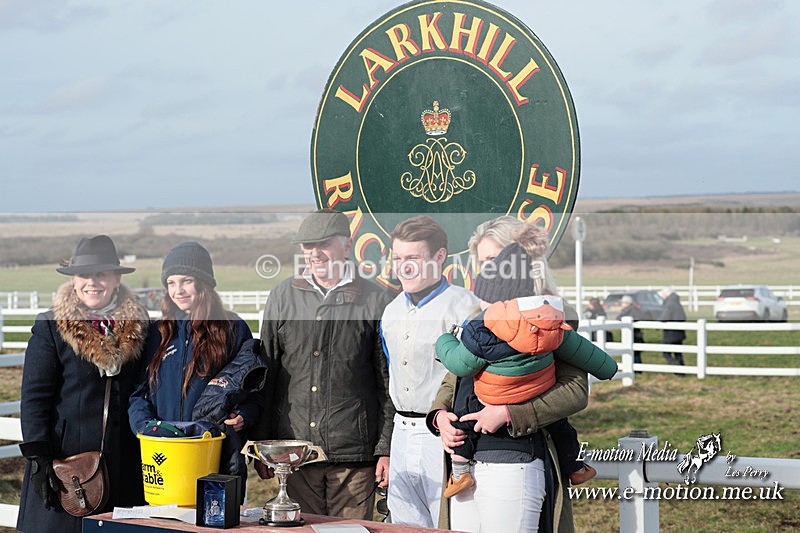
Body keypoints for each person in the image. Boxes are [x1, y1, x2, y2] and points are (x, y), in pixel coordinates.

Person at [429, 220, 589, 533]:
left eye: (493, 260)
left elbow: (575, 390)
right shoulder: (478, 315)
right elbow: (455, 378)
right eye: (482, 263)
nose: (486, 270)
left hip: (516, 455)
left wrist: (508, 414)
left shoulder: (552, 316)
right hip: (464, 461)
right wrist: (439, 417)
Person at [252, 209, 394, 520]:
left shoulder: (376, 299)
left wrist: (385, 448)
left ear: (347, 246)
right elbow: (269, 374)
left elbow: (387, 381)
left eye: (324, 244)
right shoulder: (282, 297)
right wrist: (263, 444)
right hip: (295, 454)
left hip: (355, 457)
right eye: (307, 246)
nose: (314, 254)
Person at [436, 255, 616, 497]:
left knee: (465, 417)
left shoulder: (483, 330)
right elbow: (589, 356)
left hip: (499, 413)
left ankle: (460, 471)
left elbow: (459, 367)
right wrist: (608, 368)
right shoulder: (551, 322)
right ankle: (575, 466)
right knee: (563, 427)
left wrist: (443, 342)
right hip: (538, 388)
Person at [17, 235, 150, 533]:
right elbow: (35, 398)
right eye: (84, 275)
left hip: (124, 463)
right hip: (66, 466)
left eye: (101, 274)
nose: (92, 282)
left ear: (116, 279)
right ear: (74, 281)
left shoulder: (141, 328)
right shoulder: (51, 327)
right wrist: (39, 459)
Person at [127, 241, 257, 491]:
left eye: (186, 280)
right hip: (164, 457)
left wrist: (244, 416)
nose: (178, 290)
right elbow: (138, 392)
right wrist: (145, 427)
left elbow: (252, 389)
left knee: (215, 527)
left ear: (204, 282)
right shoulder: (157, 333)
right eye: (171, 283)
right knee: (166, 527)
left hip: (217, 455)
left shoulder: (233, 329)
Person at [380, 215, 481, 528]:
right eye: (398, 258)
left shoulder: (467, 307)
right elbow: (389, 377)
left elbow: (475, 381)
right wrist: (385, 449)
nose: (404, 267)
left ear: (439, 257)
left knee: (450, 524)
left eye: (413, 258)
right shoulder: (390, 310)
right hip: (401, 432)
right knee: (404, 525)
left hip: (446, 435)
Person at [658, 287, 687, 365]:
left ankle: (675, 365)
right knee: (678, 353)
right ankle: (681, 371)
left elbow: (664, 318)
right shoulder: (677, 303)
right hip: (679, 333)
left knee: (666, 353)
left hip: (670, 333)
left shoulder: (669, 304)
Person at [617, 295, 644, 366]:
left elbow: (618, 318)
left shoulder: (628, 311)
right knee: (635, 353)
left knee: (634, 353)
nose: (621, 304)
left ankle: (637, 369)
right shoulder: (634, 310)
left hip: (634, 335)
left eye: (622, 303)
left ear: (627, 303)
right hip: (636, 335)